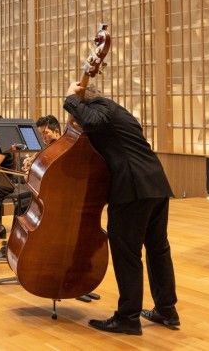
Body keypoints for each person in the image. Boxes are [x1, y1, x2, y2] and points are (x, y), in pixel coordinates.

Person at [63, 82, 178, 335]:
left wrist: (71, 98)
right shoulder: (119, 112)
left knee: (127, 253)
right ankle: (166, 310)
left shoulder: (101, 109)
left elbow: (91, 122)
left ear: (86, 101)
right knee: (158, 249)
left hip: (133, 189)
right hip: (155, 184)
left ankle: (128, 318)